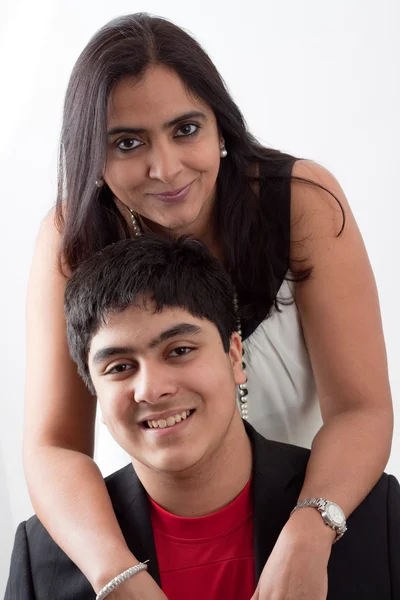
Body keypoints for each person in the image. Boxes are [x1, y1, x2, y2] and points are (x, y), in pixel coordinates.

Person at [23, 12, 394, 600]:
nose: (165, 168)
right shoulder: (71, 239)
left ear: (221, 125)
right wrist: (116, 575)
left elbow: (362, 408)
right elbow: (53, 446)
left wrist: (309, 532)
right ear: (90, 155)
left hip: (319, 503)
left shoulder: (300, 204)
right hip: (164, 534)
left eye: (186, 129)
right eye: (127, 142)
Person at [9, 237, 399, 600]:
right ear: (94, 390)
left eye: (179, 350)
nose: (151, 389)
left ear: (234, 356)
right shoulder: (41, 557)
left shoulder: (374, 513)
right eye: (120, 367)